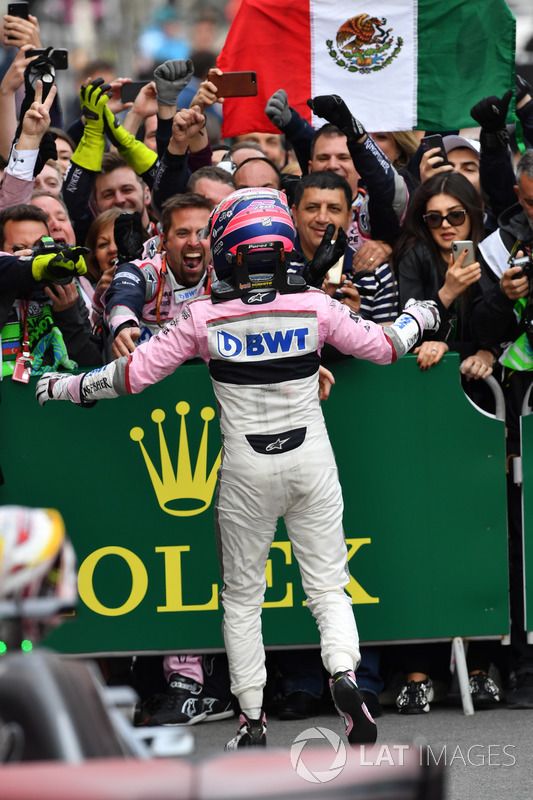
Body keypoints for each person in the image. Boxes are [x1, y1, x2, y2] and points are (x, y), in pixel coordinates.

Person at [36, 186, 440, 748]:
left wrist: (63, 387)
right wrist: (421, 315)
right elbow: (386, 348)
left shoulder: (203, 317)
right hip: (311, 461)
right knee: (328, 587)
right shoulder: (317, 307)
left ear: (228, 249)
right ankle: (344, 675)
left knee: (243, 597)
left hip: (246, 470)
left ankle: (252, 718)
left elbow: (131, 377)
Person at [470, 149, 533, 708]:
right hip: (519, 406)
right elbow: (478, 324)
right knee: (522, 532)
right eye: (529, 202)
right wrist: (506, 300)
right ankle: (524, 661)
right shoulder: (501, 241)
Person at [104, 192, 212, 359]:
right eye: (182, 233)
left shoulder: (222, 275)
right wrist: (124, 326)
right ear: (164, 241)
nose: (193, 242)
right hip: (142, 378)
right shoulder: (144, 272)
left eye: (202, 233)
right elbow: (124, 294)